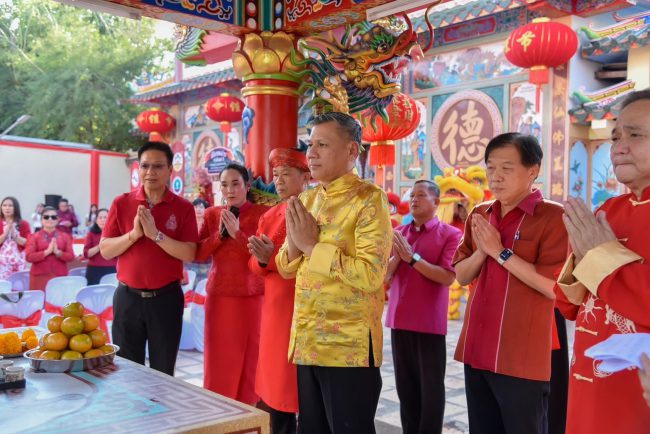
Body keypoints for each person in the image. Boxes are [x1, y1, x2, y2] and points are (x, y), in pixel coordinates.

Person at [276, 112, 392, 434]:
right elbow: (285, 267)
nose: (311, 153)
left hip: (348, 348)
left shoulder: (369, 199)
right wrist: (297, 245)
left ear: (352, 151)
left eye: (322, 145)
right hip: (307, 339)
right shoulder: (308, 198)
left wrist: (311, 246)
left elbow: (371, 275)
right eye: (310, 144)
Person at [453, 133, 568, 434]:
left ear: (533, 171)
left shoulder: (553, 217)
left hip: (523, 354)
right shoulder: (480, 214)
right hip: (478, 347)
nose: (496, 176)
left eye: (507, 168)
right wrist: (482, 251)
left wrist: (500, 252)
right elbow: (462, 275)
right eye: (491, 168)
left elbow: (553, 287)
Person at [556, 89, 650, 433]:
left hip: (636, 395)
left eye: (635, 135)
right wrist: (583, 259)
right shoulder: (609, 210)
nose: (619, 147)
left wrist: (601, 258)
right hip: (588, 380)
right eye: (615, 137)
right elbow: (569, 303)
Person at [100, 141, 198, 376]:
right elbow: (106, 250)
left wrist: (155, 235)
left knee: (163, 372)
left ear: (170, 169)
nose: (150, 172)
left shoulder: (183, 207)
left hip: (166, 299)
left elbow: (189, 253)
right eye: (145, 166)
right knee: (127, 371)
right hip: (127, 298)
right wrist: (134, 235)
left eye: (158, 166)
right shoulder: (122, 203)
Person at [384, 180, 462, 434]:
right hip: (399, 320)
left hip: (429, 324)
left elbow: (448, 277)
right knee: (405, 389)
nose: (414, 200)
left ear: (436, 202)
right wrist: (397, 258)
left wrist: (413, 259)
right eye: (411, 195)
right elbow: (386, 276)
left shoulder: (450, 235)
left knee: (431, 391)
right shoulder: (399, 233)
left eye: (420, 195)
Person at [247, 148, 310, 434]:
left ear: (305, 177)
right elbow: (253, 264)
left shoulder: (315, 211)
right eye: (275, 175)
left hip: (305, 306)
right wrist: (263, 260)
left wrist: (271, 259)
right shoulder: (270, 215)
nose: (279, 181)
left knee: (302, 388)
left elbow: (313, 260)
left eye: (286, 174)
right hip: (276, 311)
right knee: (277, 387)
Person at [195, 163, 268, 404]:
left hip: (252, 297)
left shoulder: (262, 214)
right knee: (219, 359)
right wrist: (220, 236)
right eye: (225, 184)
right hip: (220, 297)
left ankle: (248, 414)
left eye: (236, 184)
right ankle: (218, 412)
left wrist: (237, 234)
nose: (230, 190)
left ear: (247, 186)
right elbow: (199, 253)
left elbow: (263, 256)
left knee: (251, 359)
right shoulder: (212, 214)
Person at [24, 206, 74, 290]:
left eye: (53, 217)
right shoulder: (34, 237)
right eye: (46, 217)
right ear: (41, 220)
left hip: (59, 276)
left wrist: (58, 252)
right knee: (40, 298)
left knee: (58, 298)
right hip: (39, 277)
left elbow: (71, 257)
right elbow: (28, 257)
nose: (50, 219)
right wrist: (46, 252)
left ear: (58, 220)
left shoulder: (65, 236)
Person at [0, 197, 31, 280]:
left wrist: (14, 235)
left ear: (16, 208)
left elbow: (27, 242)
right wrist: (5, 234)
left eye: (10, 206)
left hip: (18, 261)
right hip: (1, 262)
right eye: (4, 205)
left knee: (18, 284)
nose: (7, 208)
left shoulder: (23, 223)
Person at [83, 208, 116, 285]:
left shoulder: (116, 233)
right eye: (100, 218)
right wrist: (100, 246)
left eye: (105, 217)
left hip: (112, 269)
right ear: (96, 220)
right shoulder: (91, 234)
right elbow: (86, 254)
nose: (102, 220)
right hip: (94, 270)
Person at [185, 198, 211, 283]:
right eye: (196, 207)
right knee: (190, 284)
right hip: (190, 261)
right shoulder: (187, 223)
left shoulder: (210, 224)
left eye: (201, 207)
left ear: (205, 209)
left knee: (203, 284)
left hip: (206, 262)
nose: (198, 209)